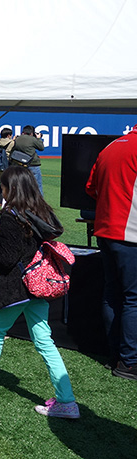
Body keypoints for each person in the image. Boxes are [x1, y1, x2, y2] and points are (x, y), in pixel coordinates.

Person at [0, 166, 80, 419]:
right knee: (44, 342)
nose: (2, 190)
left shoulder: (12, 215)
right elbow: (19, 248)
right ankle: (67, 401)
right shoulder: (41, 211)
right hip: (38, 285)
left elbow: (5, 257)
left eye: (3, 186)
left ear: (11, 188)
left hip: (16, 288)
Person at [86, 129, 137, 381]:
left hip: (106, 230)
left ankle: (116, 356)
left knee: (113, 293)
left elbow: (91, 188)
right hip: (130, 233)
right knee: (132, 298)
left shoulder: (112, 146)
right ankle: (128, 362)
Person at [10, 125, 45, 194]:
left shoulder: (18, 138)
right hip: (32, 164)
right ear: (32, 133)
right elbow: (41, 148)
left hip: (20, 163)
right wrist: (38, 138)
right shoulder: (32, 139)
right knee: (37, 185)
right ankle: (39, 202)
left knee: (21, 185)